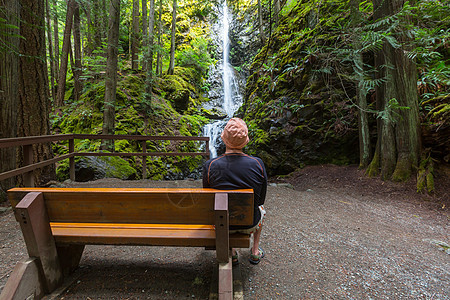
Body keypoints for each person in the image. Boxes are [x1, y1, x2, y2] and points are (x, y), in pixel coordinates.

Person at [203, 118, 267, 265]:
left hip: (220, 225)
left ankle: (232, 252)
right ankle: (255, 251)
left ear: (224, 139)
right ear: (245, 141)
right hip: (249, 223)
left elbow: (207, 201)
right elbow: (260, 200)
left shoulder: (210, 165)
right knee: (261, 208)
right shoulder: (258, 164)